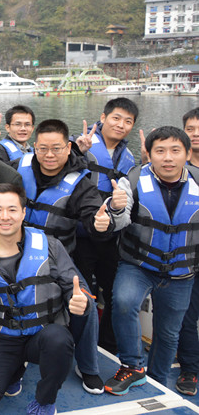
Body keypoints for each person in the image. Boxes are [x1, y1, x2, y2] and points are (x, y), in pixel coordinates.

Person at [0, 183, 92, 415]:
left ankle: (45, 401)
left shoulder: (50, 245)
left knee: (59, 340)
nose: (5, 216)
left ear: (23, 213)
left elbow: (77, 287)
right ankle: (14, 372)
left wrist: (81, 301)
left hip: (44, 335)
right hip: (2, 337)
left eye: (12, 209)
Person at [16, 118, 111, 394]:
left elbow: (93, 214)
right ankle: (11, 354)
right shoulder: (19, 166)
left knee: (86, 302)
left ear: (68, 148)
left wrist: (100, 224)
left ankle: (88, 365)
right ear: (34, 147)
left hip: (55, 257)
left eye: (56, 148)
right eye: (43, 148)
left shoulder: (80, 183)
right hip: (15, 250)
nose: (49, 155)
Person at [106, 126, 199, 394]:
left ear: (187, 154)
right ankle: (132, 366)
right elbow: (119, 221)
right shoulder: (132, 180)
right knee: (124, 302)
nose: (167, 157)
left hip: (181, 272)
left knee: (168, 333)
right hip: (138, 265)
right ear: (149, 154)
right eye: (160, 151)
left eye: (175, 150)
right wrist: (115, 208)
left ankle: (158, 380)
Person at [73, 97, 138, 354]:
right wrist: (78, 152)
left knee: (111, 290)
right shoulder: (82, 143)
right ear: (103, 118)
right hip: (81, 232)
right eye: (116, 118)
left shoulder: (128, 157)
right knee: (81, 290)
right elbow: (59, 169)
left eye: (128, 121)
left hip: (110, 235)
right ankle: (77, 342)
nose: (121, 125)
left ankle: (106, 344)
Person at [177, 108, 199, 396]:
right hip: (186, 258)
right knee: (187, 315)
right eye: (191, 129)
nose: (196, 134)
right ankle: (190, 369)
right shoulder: (173, 168)